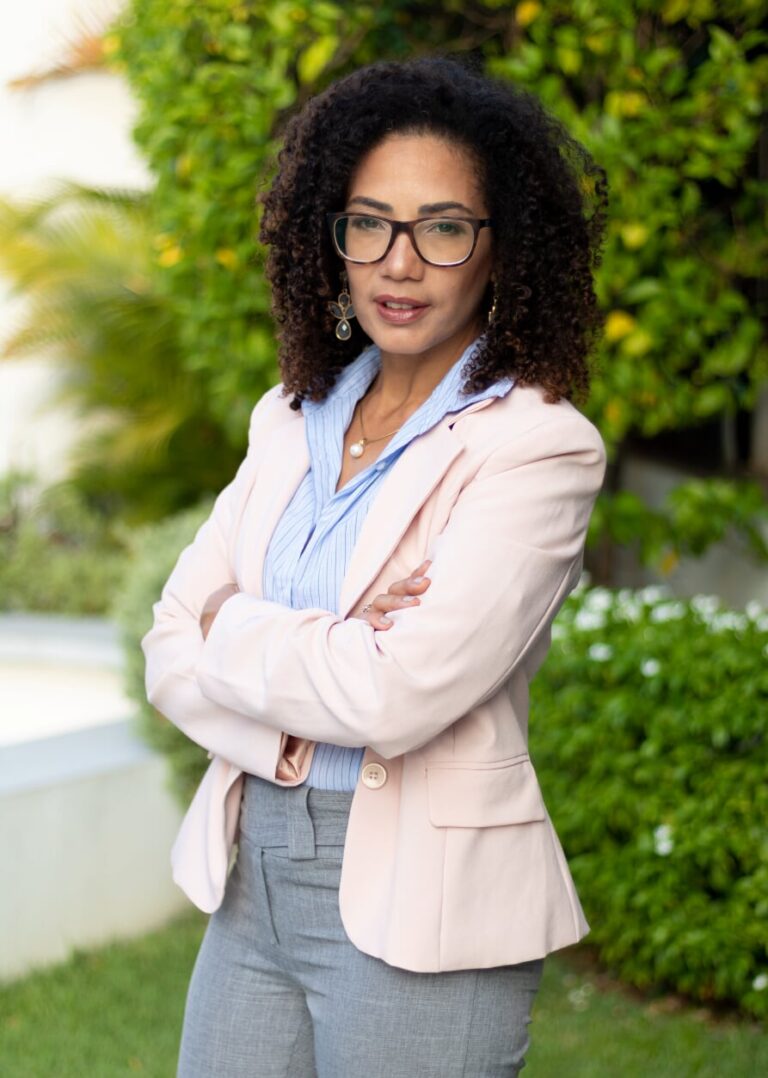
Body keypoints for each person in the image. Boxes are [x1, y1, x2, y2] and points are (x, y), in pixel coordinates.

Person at [142, 54, 608, 1078]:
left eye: (443, 228)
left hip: (425, 907)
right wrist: (320, 662)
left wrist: (231, 623)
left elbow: (397, 693)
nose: (400, 264)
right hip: (252, 879)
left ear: (501, 247)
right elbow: (167, 651)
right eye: (369, 224)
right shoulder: (288, 419)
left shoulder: (538, 447)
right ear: (333, 238)